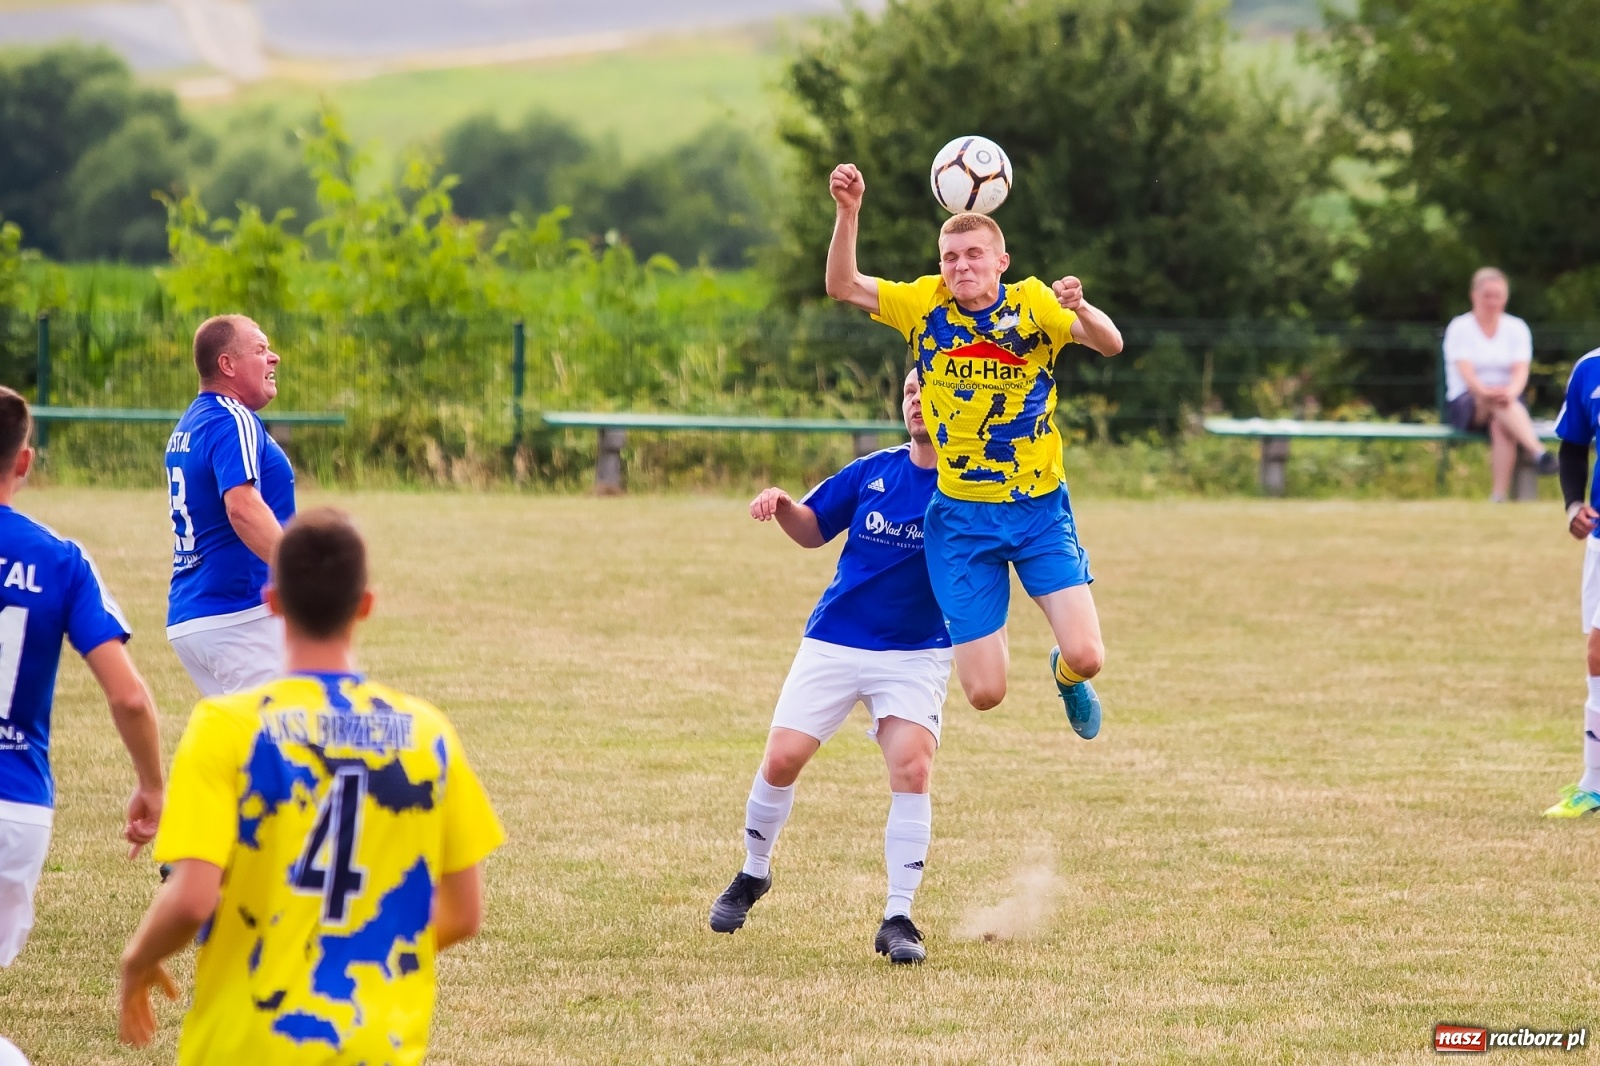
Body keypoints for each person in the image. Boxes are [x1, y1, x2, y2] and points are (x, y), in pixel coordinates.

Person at [118, 508, 504, 1061]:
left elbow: (193, 897)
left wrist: (138, 959)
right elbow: (464, 913)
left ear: (272, 601)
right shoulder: (429, 734)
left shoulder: (227, 727)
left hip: (249, 1042)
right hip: (374, 1044)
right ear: (365, 604)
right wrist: (363, 949)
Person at [823, 162, 1122, 734]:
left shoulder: (1034, 304)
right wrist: (848, 212)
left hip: (1037, 508)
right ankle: (989, 619)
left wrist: (1081, 308)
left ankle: (1065, 675)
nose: (961, 266)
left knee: (1088, 657)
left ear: (1001, 262)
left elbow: (1111, 344)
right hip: (961, 518)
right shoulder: (925, 304)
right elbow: (843, 285)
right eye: (951, 257)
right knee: (985, 694)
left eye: (974, 255)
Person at [709, 371, 950, 964]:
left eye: (928, 390)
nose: (916, 401)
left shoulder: (972, 484)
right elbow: (812, 529)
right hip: (836, 639)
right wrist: (784, 505)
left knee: (913, 768)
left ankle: (898, 917)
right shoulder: (874, 471)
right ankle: (754, 871)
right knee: (781, 760)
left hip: (916, 650)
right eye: (909, 392)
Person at [0, 387, 164, 966]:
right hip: (15, 806)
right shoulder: (61, 560)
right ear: (24, 461)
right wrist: (152, 785)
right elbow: (130, 697)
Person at [165, 314, 297, 696]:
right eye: (260, 349)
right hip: (240, 614)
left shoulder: (191, 423)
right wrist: (300, 571)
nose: (274, 357)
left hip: (193, 614)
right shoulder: (233, 418)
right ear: (227, 364)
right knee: (280, 729)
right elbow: (242, 507)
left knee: (241, 733)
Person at [1443, 267, 1558, 501]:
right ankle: (1538, 452)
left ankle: (1498, 495)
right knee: (1499, 404)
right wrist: (1486, 393)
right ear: (1474, 296)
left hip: (1508, 401)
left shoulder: (1516, 327)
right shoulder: (1460, 327)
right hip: (1467, 401)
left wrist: (1510, 392)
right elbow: (1466, 372)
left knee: (1500, 424)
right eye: (1487, 296)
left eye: (1497, 296)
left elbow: (1520, 371)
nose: (1492, 302)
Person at [1545, 344, 1600, 817]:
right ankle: (1594, 783)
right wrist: (1573, 506)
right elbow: (1573, 445)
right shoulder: (1590, 368)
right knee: (1598, 654)